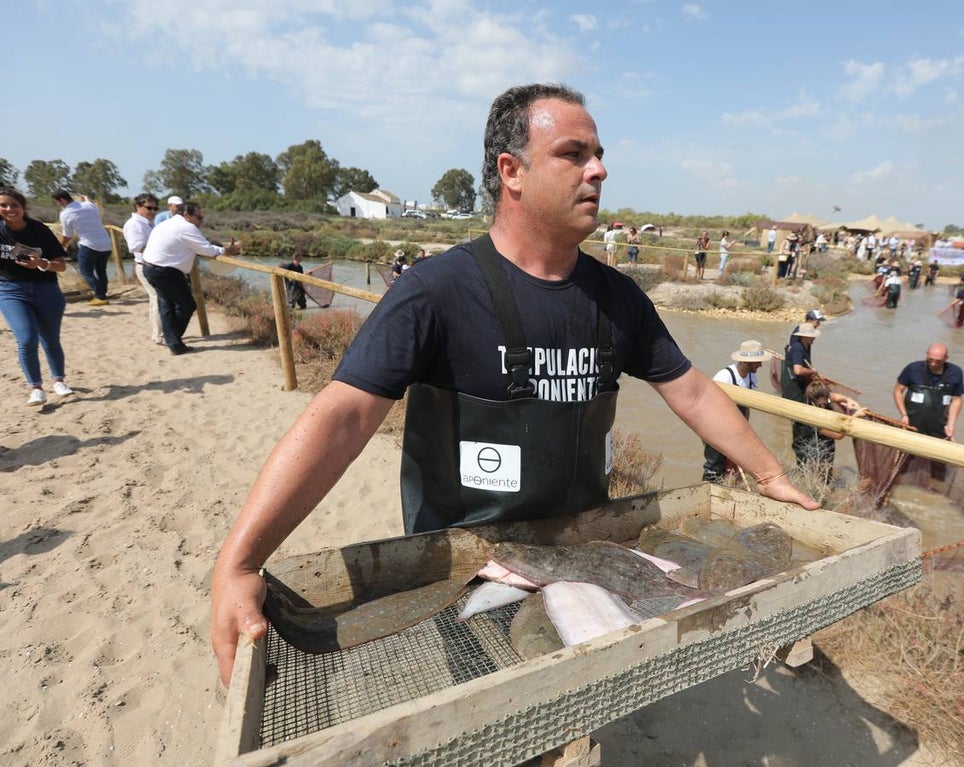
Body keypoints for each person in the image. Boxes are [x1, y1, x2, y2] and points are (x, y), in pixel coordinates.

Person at [209, 83, 817, 685]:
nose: (599, 171)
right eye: (574, 154)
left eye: (599, 154)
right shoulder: (435, 291)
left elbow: (692, 391)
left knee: (583, 694)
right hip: (466, 567)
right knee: (483, 698)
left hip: (583, 552)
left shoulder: (619, 299)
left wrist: (771, 476)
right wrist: (241, 560)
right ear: (512, 172)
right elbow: (343, 417)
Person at [0, 187, 75, 406]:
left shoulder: (39, 230)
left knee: (50, 339)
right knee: (26, 338)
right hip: (11, 290)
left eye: (14, 205)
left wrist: (41, 264)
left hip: (46, 289)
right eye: (3, 205)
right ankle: (36, 387)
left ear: (23, 207)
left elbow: (61, 266)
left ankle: (59, 380)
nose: (9, 209)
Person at [141, 202, 241, 355]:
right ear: (186, 215)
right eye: (198, 217)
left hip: (149, 267)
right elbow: (205, 249)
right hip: (165, 271)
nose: (200, 221)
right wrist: (226, 250)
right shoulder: (186, 227)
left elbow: (197, 246)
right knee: (186, 305)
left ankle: (173, 342)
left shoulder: (167, 223)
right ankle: (173, 340)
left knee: (166, 304)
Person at [702, 340, 765, 482]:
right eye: (757, 362)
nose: (760, 365)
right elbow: (709, 406)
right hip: (716, 428)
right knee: (714, 468)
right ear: (746, 362)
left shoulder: (751, 376)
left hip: (735, 428)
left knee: (732, 467)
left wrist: (745, 429)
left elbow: (746, 406)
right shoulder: (725, 377)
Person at [791, 381, 860, 485]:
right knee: (816, 477)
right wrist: (855, 417)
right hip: (810, 447)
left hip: (821, 442)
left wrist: (848, 400)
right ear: (813, 401)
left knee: (825, 474)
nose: (824, 405)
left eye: (825, 402)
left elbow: (832, 397)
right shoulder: (811, 416)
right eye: (821, 404)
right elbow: (838, 435)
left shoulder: (816, 398)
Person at [52, 189, 113, 305]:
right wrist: (85, 197)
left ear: (62, 200)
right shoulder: (89, 206)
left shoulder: (65, 214)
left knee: (86, 271)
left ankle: (100, 296)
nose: (58, 205)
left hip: (89, 244)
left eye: (57, 202)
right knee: (101, 271)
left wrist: (60, 246)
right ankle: (102, 294)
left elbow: (68, 235)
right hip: (105, 243)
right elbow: (88, 201)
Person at [893, 344, 964, 440]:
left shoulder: (955, 372)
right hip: (911, 424)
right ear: (926, 355)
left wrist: (951, 425)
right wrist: (904, 415)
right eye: (930, 360)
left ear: (946, 358)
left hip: (938, 427)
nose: (933, 364)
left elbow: (956, 399)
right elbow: (898, 391)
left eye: (938, 362)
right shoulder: (913, 369)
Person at [123, 193, 163, 345]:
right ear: (138, 207)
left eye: (155, 208)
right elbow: (135, 247)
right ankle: (157, 334)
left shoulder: (148, 223)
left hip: (155, 265)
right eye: (149, 208)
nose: (152, 211)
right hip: (145, 265)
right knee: (157, 299)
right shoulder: (134, 224)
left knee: (160, 299)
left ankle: (162, 331)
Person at [781, 322, 820, 403]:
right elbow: (798, 370)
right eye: (811, 336)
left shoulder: (805, 347)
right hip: (792, 384)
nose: (814, 338)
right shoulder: (798, 349)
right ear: (804, 337)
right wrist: (812, 371)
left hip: (797, 382)